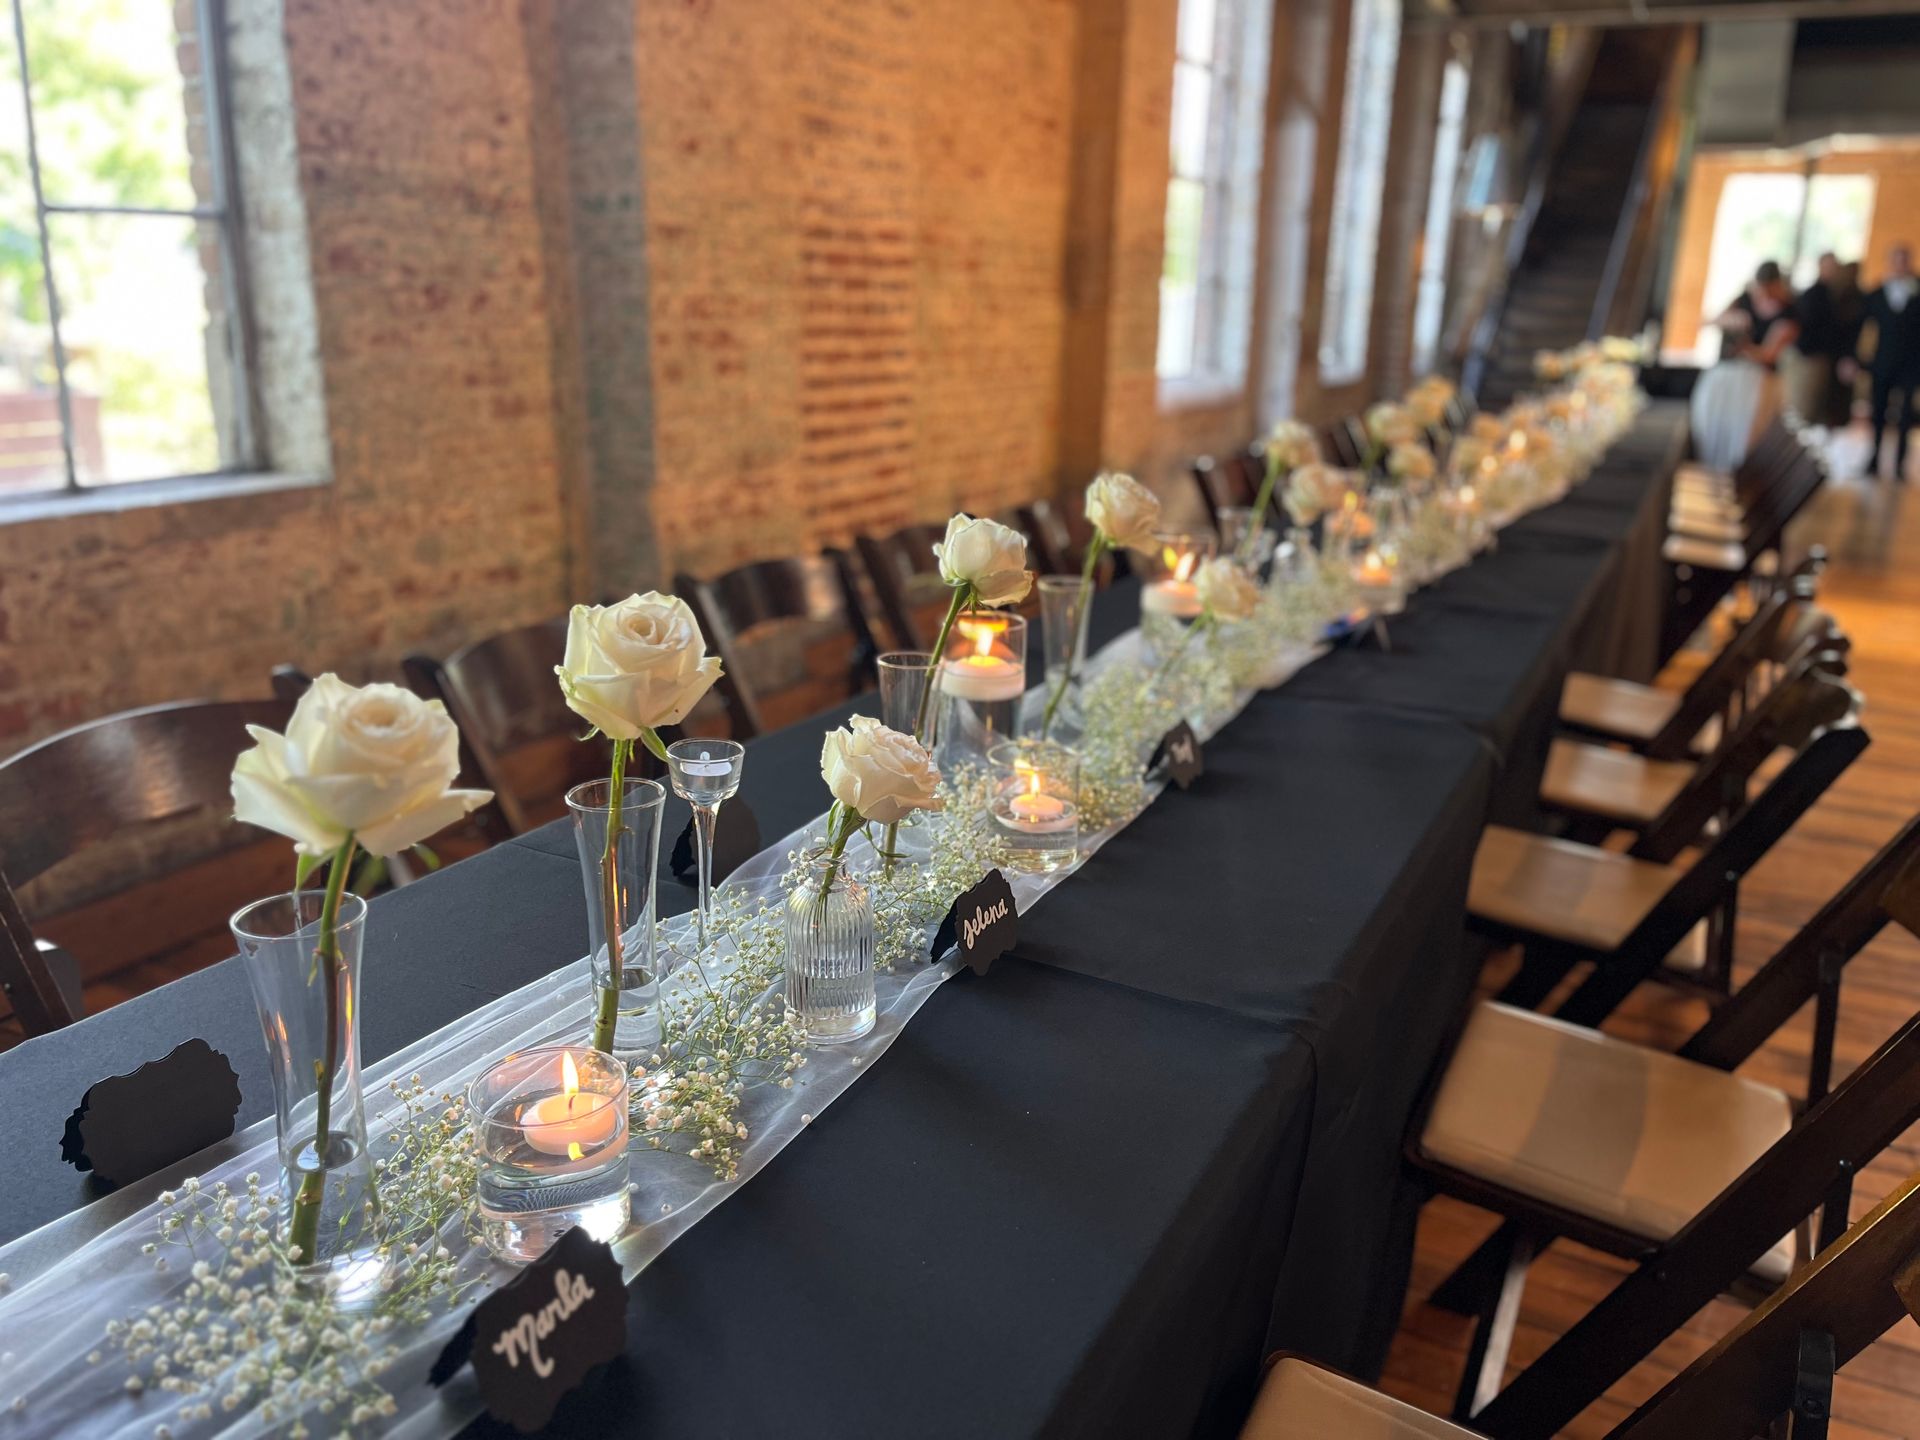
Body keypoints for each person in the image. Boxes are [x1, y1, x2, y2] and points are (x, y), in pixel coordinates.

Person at [1691, 262, 1798, 471]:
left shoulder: (1789, 313)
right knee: (1710, 426)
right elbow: (1708, 322)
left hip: (1757, 382)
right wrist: (1730, 321)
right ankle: (1709, 471)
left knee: (1746, 434)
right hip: (1725, 377)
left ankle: (1735, 479)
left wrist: (1745, 348)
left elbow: (1768, 354)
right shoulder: (1745, 300)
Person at [1855, 244, 1920, 481]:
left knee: (1905, 415)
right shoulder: (1877, 293)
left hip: (1911, 365)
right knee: (1878, 412)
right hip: (1882, 363)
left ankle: (1901, 462)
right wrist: (1858, 359)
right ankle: (1873, 458)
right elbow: (1863, 328)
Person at [1784, 253, 1847, 423]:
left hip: (1821, 357)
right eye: (1828, 266)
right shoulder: (1813, 294)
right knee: (1803, 407)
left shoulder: (1833, 294)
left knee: (1813, 407)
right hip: (1809, 357)